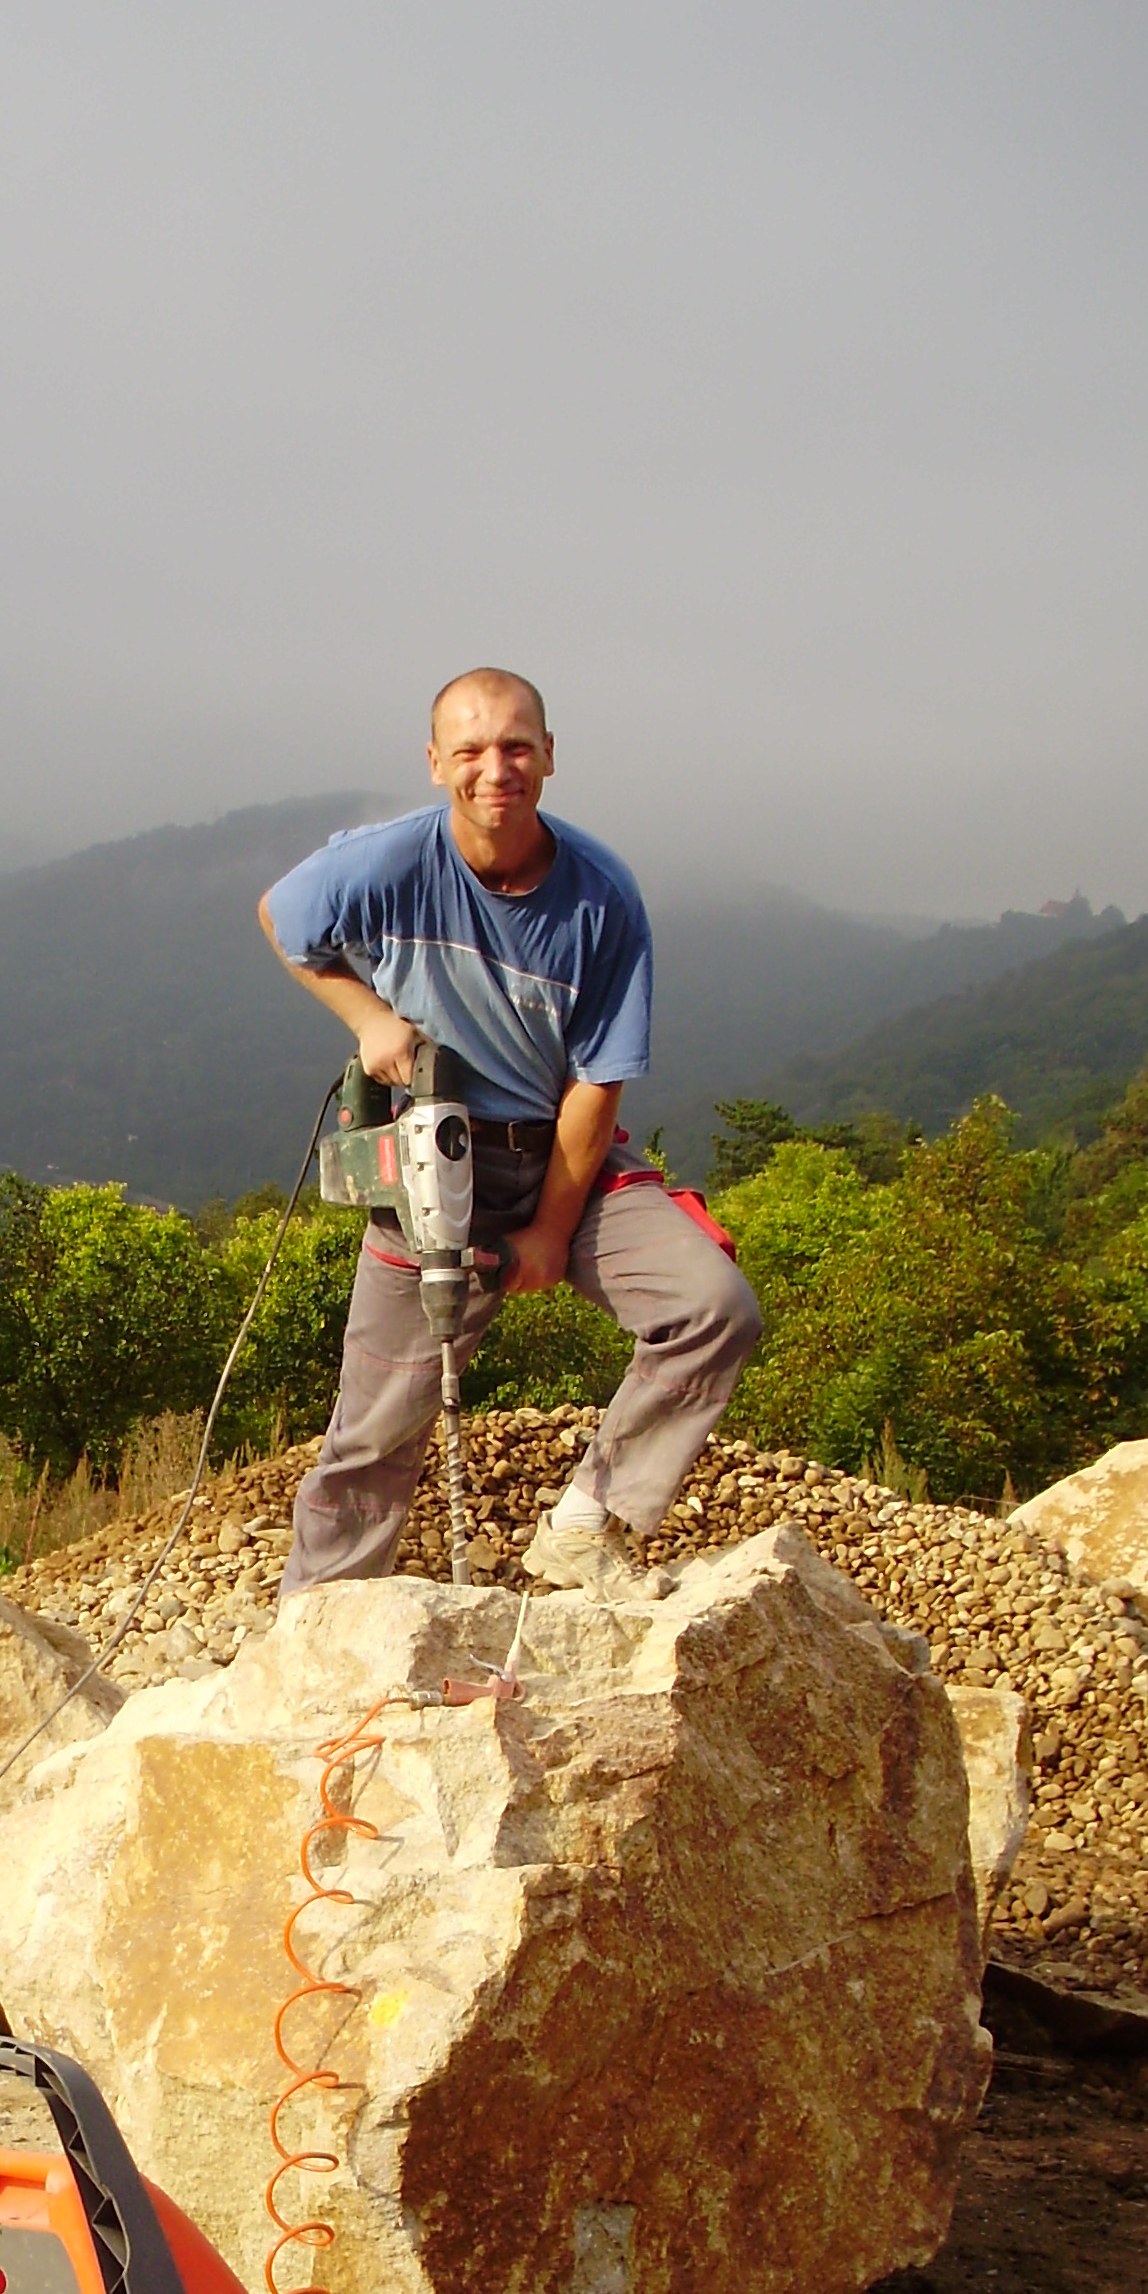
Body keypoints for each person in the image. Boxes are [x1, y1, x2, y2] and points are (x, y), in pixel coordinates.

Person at [259, 667, 762, 1599]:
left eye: (517, 747)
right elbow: (283, 918)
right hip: (429, 1168)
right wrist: (370, 1020)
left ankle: (587, 1523)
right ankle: (314, 1631)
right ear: (435, 761)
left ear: (550, 756)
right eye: (472, 750)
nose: (496, 769)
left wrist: (550, 1230)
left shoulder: (601, 896)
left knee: (712, 1309)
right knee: (373, 1437)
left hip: (563, 1156)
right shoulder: (388, 863)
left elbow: (597, 1082)